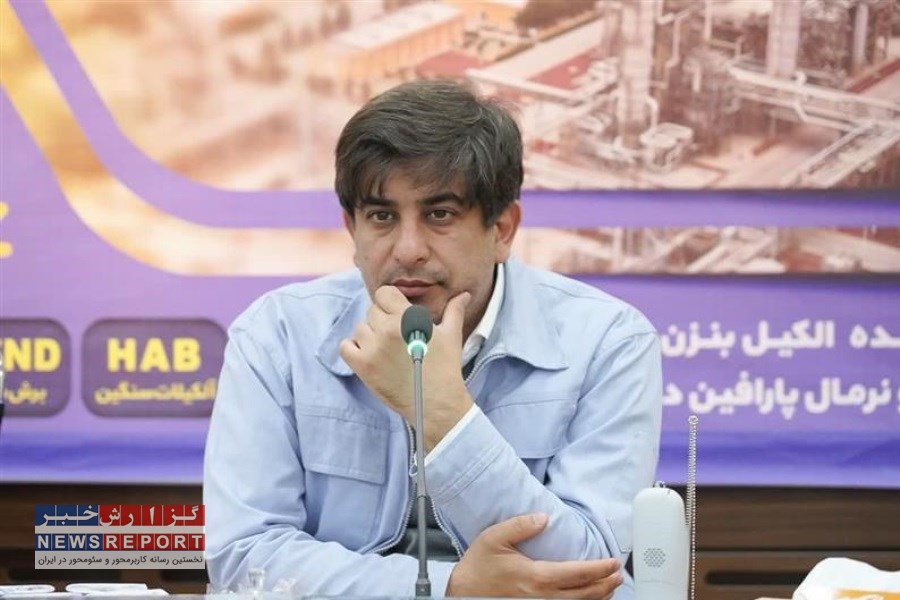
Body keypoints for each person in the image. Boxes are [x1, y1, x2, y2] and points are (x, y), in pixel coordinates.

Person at [204, 80, 662, 599]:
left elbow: (588, 569)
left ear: (502, 229)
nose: (408, 249)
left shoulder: (609, 341)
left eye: (439, 215)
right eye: (381, 217)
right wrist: (450, 588)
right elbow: (243, 556)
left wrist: (443, 414)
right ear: (352, 231)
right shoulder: (277, 334)